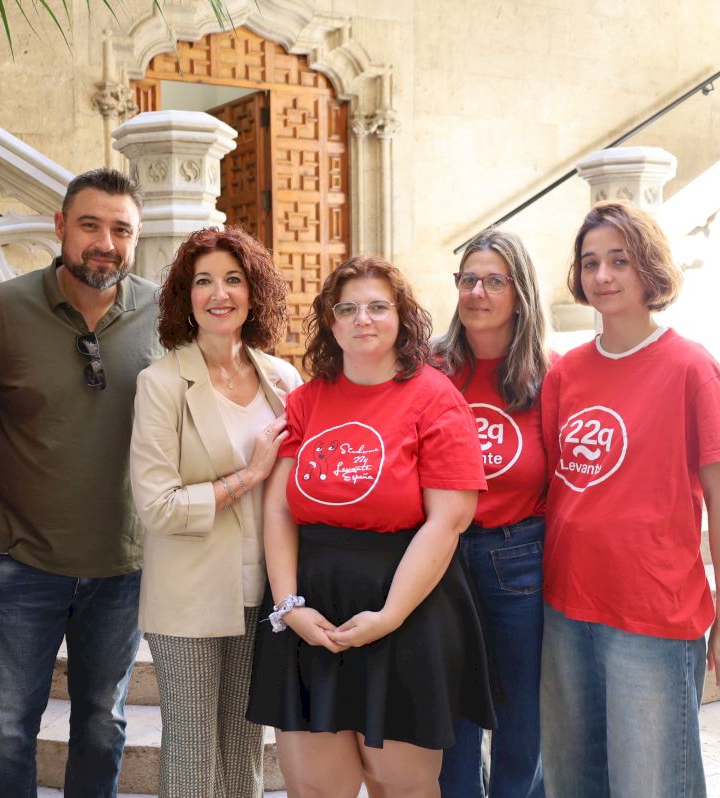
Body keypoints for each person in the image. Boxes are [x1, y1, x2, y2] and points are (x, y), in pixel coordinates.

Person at [247, 256, 496, 798]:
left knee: (399, 785)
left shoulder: (435, 398)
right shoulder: (306, 400)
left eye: (379, 306)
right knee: (314, 786)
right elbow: (280, 509)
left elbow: (448, 520)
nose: (363, 319)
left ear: (402, 318)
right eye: (348, 308)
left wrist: (389, 616)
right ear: (330, 323)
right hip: (312, 612)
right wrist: (288, 606)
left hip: (406, 607)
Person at [539, 201, 720, 797]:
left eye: (619, 260)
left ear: (648, 267)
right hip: (566, 609)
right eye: (590, 263)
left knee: (651, 785)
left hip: (653, 614)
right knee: (570, 782)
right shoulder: (566, 372)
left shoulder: (690, 367)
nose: (602, 275)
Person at [0, 168, 162, 798]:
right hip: (20, 562)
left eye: (121, 230)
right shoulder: (3, 309)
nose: (105, 243)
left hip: (123, 566)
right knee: (4, 729)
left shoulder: (166, 316)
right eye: (90, 225)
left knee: (103, 725)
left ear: (136, 237)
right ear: (60, 227)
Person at [129, 226, 302, 798]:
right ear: (186, 296)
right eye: (204, 281)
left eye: (233, 279)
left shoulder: (282, 379)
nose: (219, 293)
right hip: (188, 594)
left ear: (254, 292)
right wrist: (248, 476)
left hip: (266, 591)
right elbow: (157, 506)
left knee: (245, 744)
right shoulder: (160, 384)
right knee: (194, 750)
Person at [432, 230, 551, 798]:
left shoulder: (549, 377)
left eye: (494, 281)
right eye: (468, 279)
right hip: (440, 554)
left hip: (519, 555)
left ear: (520, 292)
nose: (477, 292)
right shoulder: (429, 367)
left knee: (520, 710)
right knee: (451, 709)